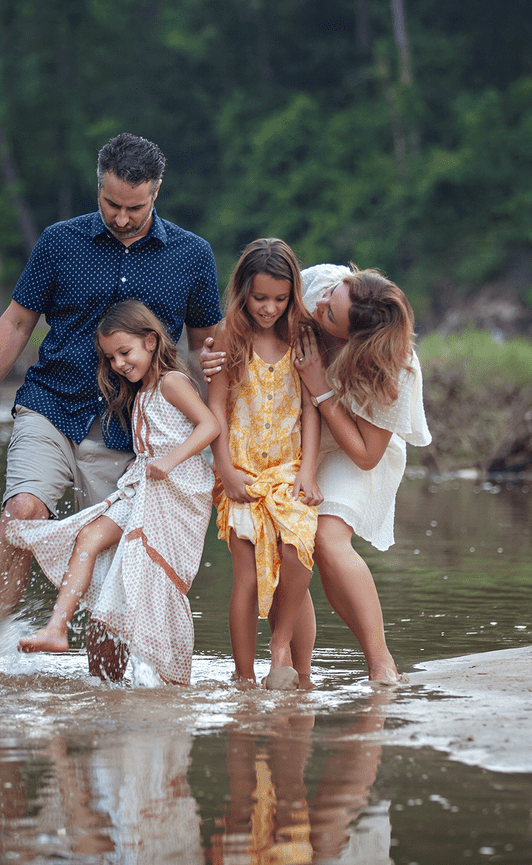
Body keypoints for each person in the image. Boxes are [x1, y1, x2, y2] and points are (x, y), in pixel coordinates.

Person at [0, 133, 222, 676]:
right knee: (22, 513)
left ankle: (102, 695)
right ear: (99, 187)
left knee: (115, 577)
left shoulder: (192, 255)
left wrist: (227, 455)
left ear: (157, 192)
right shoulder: (59, 242)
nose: (120, 217)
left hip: (133, 433)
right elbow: (17, 324)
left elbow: (212, 347)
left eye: (134, 207)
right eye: (110, 203)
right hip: (51, 406)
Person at [201, 263, 430, 683]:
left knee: (324, 538)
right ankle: (290, 665)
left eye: (328, 313)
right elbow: (253, 315)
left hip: (350, 443)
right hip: (284, 432)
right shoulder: (323, 284)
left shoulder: (395, 367)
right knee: (282, 542)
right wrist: (214, 354)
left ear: (353, 338)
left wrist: (320, 386)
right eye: (330, 294)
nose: (318, 302)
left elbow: (365, 455)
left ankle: (380, 661)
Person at [3, 301, 219, 685]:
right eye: (111, 357)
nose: (119, 363)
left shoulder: (172, 382)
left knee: (151, 575)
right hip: (144, 487)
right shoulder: (140, 393)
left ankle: (169, 671)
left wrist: (169, 462)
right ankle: (57, 627)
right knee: (88, 536)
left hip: (175, 491)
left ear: (151, 342)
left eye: (125, 352)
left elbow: (210, 426)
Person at [206, 238, 322, 689]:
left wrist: (308, 472)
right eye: (259, 298)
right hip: (242, 471)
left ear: (292, 294)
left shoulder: (302, 338)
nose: (269, 308)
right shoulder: (228, 337)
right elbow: (215, 407)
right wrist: (224, 469)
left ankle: (283, 649)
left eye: (279, 298)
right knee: (249, 577)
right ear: (242, 292)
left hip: (289, 470)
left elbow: (311, 409)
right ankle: (242, 678)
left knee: (298, 553)